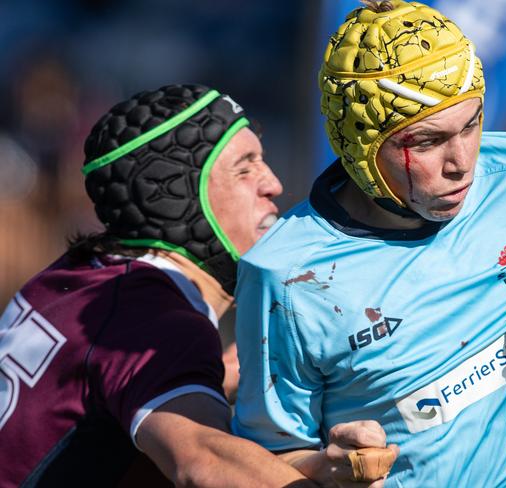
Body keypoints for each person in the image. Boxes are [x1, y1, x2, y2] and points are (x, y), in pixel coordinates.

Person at [232, 1, 506, 486]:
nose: (461, 162)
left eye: (471, 125)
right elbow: (264, 462)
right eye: (426, 142)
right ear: (358, 145)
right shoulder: (286, 276)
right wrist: (326, 468)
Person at [0, 83, 395, 487]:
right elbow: (203, 463)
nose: (273, 184)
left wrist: (220, 376)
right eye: (246, 168)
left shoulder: (75, 278)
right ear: (177, 201)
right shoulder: (157, 318)